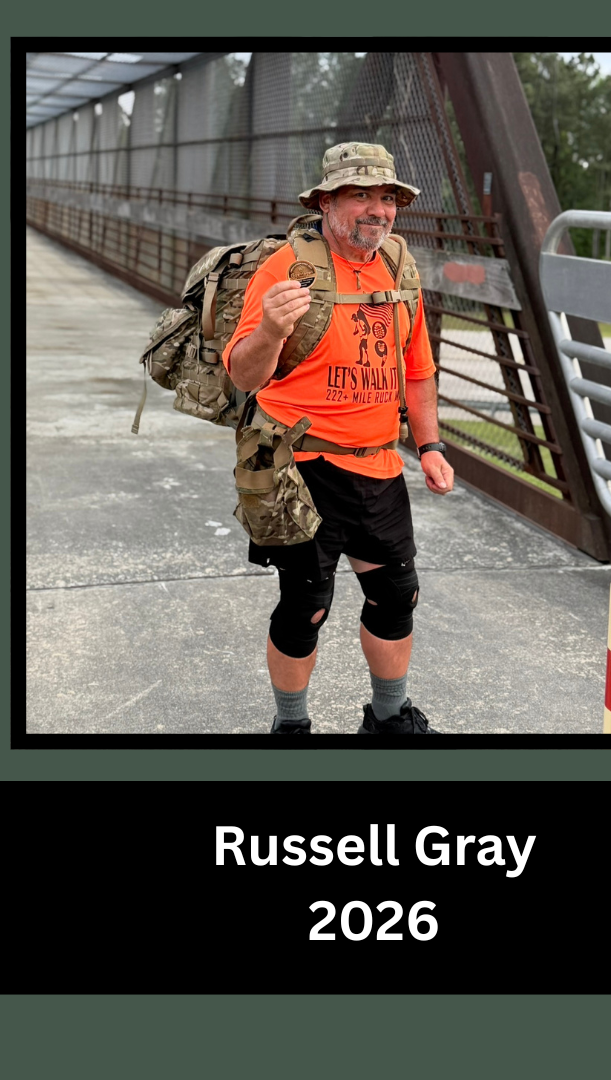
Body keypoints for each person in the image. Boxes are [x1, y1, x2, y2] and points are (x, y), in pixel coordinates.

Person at [222, 143, 454, 735]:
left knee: (396, 595)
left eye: (387, 197)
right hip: (299, 466)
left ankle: (387, 717)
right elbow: (243, 373)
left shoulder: (399, 268)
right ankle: (292, 728)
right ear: (326, 202)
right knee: (307, 605)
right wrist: (272, 329)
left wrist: (429, 447)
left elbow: (418, 368)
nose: (377, 209)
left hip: (377, 467)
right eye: (361, 195)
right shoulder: (286, 270)